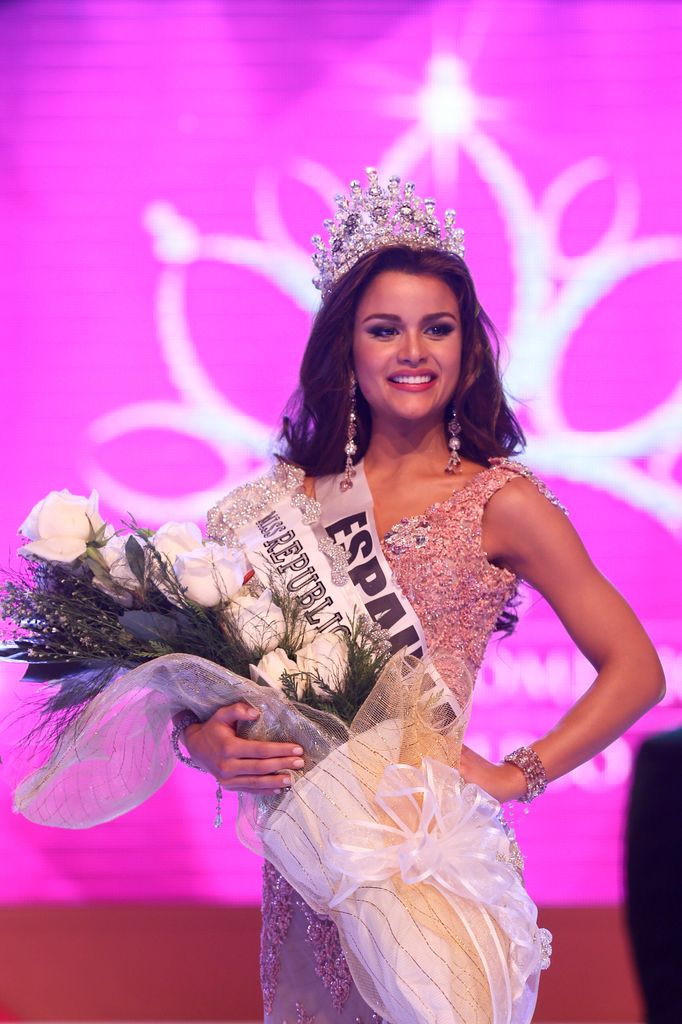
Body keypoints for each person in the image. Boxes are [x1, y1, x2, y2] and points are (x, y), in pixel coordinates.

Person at [176, 170, 664, 1024]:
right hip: (309, 867)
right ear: (347, 350)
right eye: (384, 329)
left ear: (467, 350)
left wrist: (520, 773)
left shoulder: (501, 501)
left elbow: (637, 670)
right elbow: (211, 681)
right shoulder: (287, 504)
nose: (413, 351)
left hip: (428, 857)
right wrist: (202, 740)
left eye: (437, 328)